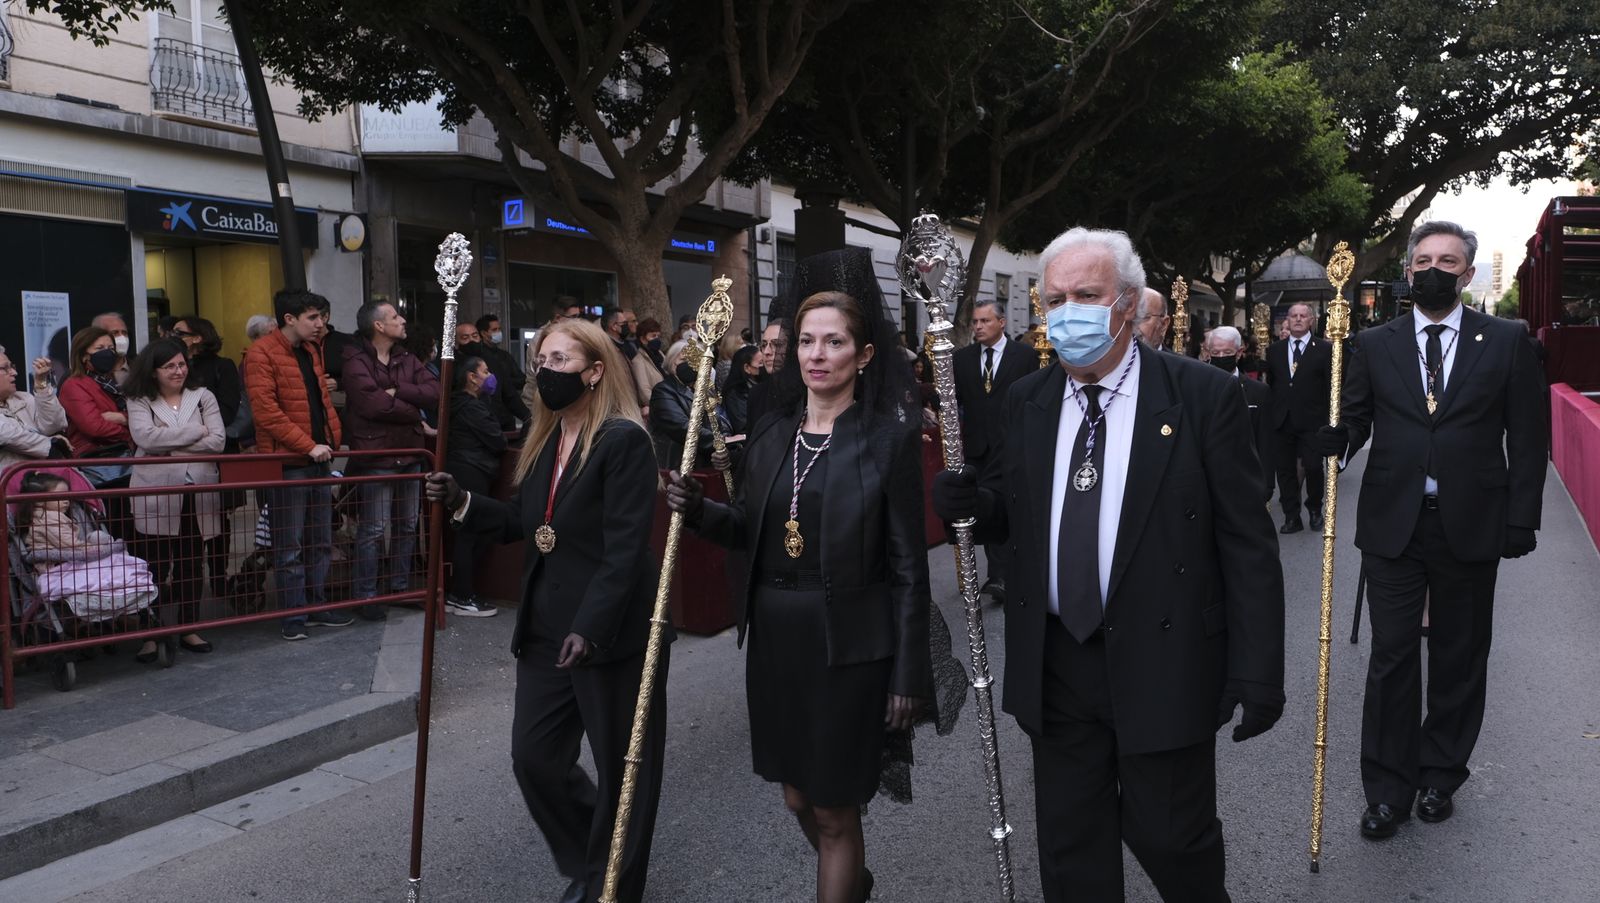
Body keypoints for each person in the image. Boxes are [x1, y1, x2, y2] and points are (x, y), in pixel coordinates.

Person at [933, 227, 1284, 903]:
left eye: (1085, 295)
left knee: (1173, 838)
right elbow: (1016, 509)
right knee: (1072, 851)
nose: (1067, 311)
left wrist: (1258, 669)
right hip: (1058, 663)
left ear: (1125, 303)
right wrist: (971, 503)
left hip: (1167, 654)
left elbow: (1247, 541)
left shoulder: (1200, 397)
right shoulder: (1028, 400)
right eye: (1054, 297)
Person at [666, 256, 941, 903]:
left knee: (835, 809)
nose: (817, 354)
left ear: (865, 353)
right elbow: (750, 528)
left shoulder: (887, 442)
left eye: (834, 341)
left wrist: (908, 673)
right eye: (806, 341)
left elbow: (907, 567)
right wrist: (699, 509)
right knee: (796, 796)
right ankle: (851, 882)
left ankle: (839, 881)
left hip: (849, 646)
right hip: (778, 644)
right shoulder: (769, 434)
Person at [1313, 220, 1547, 840]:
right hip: (1394, 523)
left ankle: (1440, 773)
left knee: (1459, 654)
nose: (1432, 269)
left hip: (1473, 521)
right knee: (1391, 656)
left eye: (1447, 260)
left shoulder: (1506, 340)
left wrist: (1522, 517)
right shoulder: (1375, 343)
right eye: (1422, 260)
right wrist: (1335, 445)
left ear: (1468, 274)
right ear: (1408, 271)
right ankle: (1387, 789)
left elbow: (1527, 437)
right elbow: (1356, 419)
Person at [425, 318, 663, 903]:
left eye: (560, 360)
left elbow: (626, 550)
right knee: (535, 759)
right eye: (541, 359)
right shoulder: (544, 439)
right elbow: (525, 525)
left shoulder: (622, 441)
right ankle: (595, 858)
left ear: (595, 370)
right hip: (544, 628)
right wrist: (461, 502)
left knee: (623, 771)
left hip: (608, 633)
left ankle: (612, 888)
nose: (546, 371)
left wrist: (591, 625)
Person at [245, 289, 353, 641]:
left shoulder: (311, 350)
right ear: (289, 319)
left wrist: (330, 442)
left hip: (318, 457)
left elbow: (320, 402)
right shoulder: (261, 353)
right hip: (289, 461)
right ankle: (294, 615)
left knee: (320, 539)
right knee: (288, 545)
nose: (321, 324)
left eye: (321, 316)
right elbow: (267, 413)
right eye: (313, 317)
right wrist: (311, 446)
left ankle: (316, 605)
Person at [124, 339, 223, 655]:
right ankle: (149, 633)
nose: (178, 371)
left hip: (197, 491)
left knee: (192, 562)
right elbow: (145, 438)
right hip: (155, 492)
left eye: (182, 364)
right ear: (153, 372)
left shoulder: (203, 396)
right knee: (151, 564)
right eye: (170, 366)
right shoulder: (139, 399)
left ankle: (189, 628)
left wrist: (170, 446)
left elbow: (218, 441)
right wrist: (197, 432)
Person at [343, 301, 439, 621]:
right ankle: (366, 594)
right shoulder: (355, 360)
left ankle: (400, 588)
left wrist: (397, 390)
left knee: (407, 524)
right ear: (379, 326)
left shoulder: (406, 358)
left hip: (410, 452)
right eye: (395, 317)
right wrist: (412, 411)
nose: (403, 320)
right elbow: (372, 405)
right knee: (373, 528)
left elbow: (434, 392)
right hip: (377, 454)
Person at [19, 470, 161, 659]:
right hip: (58, 564)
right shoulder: (50, 518)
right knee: (104, 545)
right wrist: (97, 547)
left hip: (61, 560)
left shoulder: (42, 516)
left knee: (100, 542)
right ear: (39, 500)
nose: (67, 501)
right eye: (60, 497)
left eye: (68, 496)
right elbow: (70, 545)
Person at [953, 298, 1032, 604]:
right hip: (977, 449)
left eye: (985, 321)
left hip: (1012, 444)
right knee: (986, 508)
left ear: (1001, 323)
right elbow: (953, 400)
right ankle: (998, 574)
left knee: (1014, 506)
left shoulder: (1024, 356)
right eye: (975, 322)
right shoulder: (962, 359)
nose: (978, 327)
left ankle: (1010, 569)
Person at [175, 317, 248, 593]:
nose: (173, 336)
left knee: (217, 516)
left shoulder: (222, 366)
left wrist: (193, 429)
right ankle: (184, 579)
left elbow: (228, 409)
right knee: (184, 517)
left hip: (217, 450)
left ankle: (218, 576)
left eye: (179, 332)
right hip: (183, 452)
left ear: (197, 337)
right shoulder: (172, 366)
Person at [441, 356, 504, 618]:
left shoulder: (463, 405)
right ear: (471, 377)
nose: (490, 376)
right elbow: (497, 439)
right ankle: (462, 594)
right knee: (470, 534)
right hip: (472, 470)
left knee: (468, 533)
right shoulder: (471, 408)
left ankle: (462, 592)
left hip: (466, 469)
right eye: (485, 370)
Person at [1265, 301, 1333, 533]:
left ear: (1311, 320)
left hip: (1313, 421)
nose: (1297, 319)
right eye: (1293, 315)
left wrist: (1331, 419)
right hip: (1282, 421)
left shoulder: (1324, 349)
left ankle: (1315, 509)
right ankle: (1291, 516)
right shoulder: (1274, 351)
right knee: (1284, 471)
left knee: (1314, 467)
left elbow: (1331, 386)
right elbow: (1273, 384)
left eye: (1303, 315)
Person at [60, 327, 136, 534]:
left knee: (131, 528)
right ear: (84, 354)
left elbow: (140, 415)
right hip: (98, 466)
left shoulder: (116, 383)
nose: (108, 352)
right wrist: (131, 431)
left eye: (111, 348)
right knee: (111, 527)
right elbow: (94, 427)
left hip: (126, 464)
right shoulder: (74, 385)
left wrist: (123, 418)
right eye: (100, 348)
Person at [1204, 326, 1274, 503]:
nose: (1220, 357)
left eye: (1226, 352)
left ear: (1239, 352)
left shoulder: (1258, 392)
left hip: (1245, 477)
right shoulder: (1196, 387)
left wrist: (1267, 483)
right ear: (1208, 353)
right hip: (1207, 478)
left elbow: (1265, 441)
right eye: (1215, 352)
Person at [647, 341, 729, 468]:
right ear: (672, 361)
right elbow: (682, 427)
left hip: (704, 462)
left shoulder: (704, 389)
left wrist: (727, 438)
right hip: (675, 465)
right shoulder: (663, 391)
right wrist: (720, 441)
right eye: (684, 359)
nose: (689, 364)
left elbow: (717, 421)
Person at [0, 347, 71, 474]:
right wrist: (49, 443)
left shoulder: (24, 398)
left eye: (12, 366)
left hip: (45, 476)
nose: (14, 372)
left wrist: (41, 384)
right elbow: (8, 434)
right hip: (11, 485)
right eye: (5, 368)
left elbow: (54, 426)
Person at [721, 344, 760, 435]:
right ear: (747, 368)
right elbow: (743, 426)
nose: (764, 367)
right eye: (761, 363)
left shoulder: (760, 384)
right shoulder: (736, 392)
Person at [90, 312, 132, 384]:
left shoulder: (141, 369)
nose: (122, 337)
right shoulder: (86, 374)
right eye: (115, 333)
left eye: (124, 333)